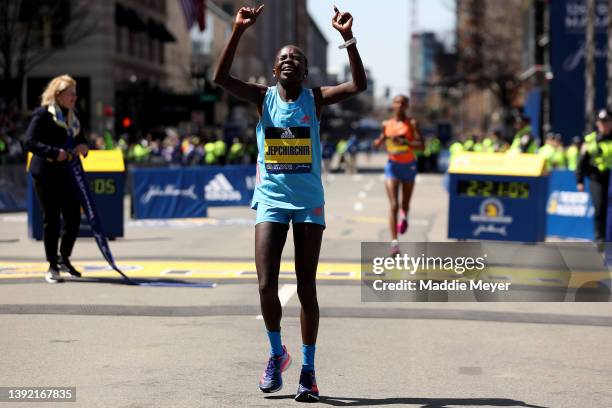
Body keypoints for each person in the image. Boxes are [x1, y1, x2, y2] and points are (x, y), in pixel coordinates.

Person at [213, 4, 366, 402]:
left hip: (309, 205)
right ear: (274, 70)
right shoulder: (263, 99)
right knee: (265, 284)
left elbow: (358, 86)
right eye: (282, 58)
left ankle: (309, 371)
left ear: (305, 70)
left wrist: (347, 39)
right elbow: (219, 77)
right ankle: (277, 353)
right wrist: (237, 30)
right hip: (271, 202)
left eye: (295, 58)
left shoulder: (315, 99)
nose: (287, 61)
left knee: (306, 286)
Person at [23, 74, 89, 283]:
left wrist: (84, 147)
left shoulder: (73, 116)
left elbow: (82, 140)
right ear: (58, 94)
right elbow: (28, 142)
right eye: (71, 94)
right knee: (51, 218)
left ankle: (64, 258)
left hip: (67, 172)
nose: (75, 98)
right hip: (46, 173)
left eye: (75, 94)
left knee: (73, 217)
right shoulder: (43, 114)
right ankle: (52, 266)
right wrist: (54, 152)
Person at [373, 95, 423, 255]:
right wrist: (378, 143)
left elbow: (422, 146)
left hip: (409, 166)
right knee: (393, 205)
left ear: (407, 106)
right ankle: (394, 243)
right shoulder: (386, 124)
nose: (399, 105)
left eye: (402, 103)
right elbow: (379, 142)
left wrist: (406, 142)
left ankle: (405, 216)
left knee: (404, 204)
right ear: (393, 105)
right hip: (392, 167)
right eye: (396, 102)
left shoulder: (412, 124)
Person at [577, 108, 612, 244]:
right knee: (600, 207)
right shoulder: (590, 140)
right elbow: (581, 163)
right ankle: (600, 239)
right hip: (597, 178)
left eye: (607, 122)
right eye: (602, 122)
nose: (605, 125)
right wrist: (579, 180)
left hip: (611, 179)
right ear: (597, 123)